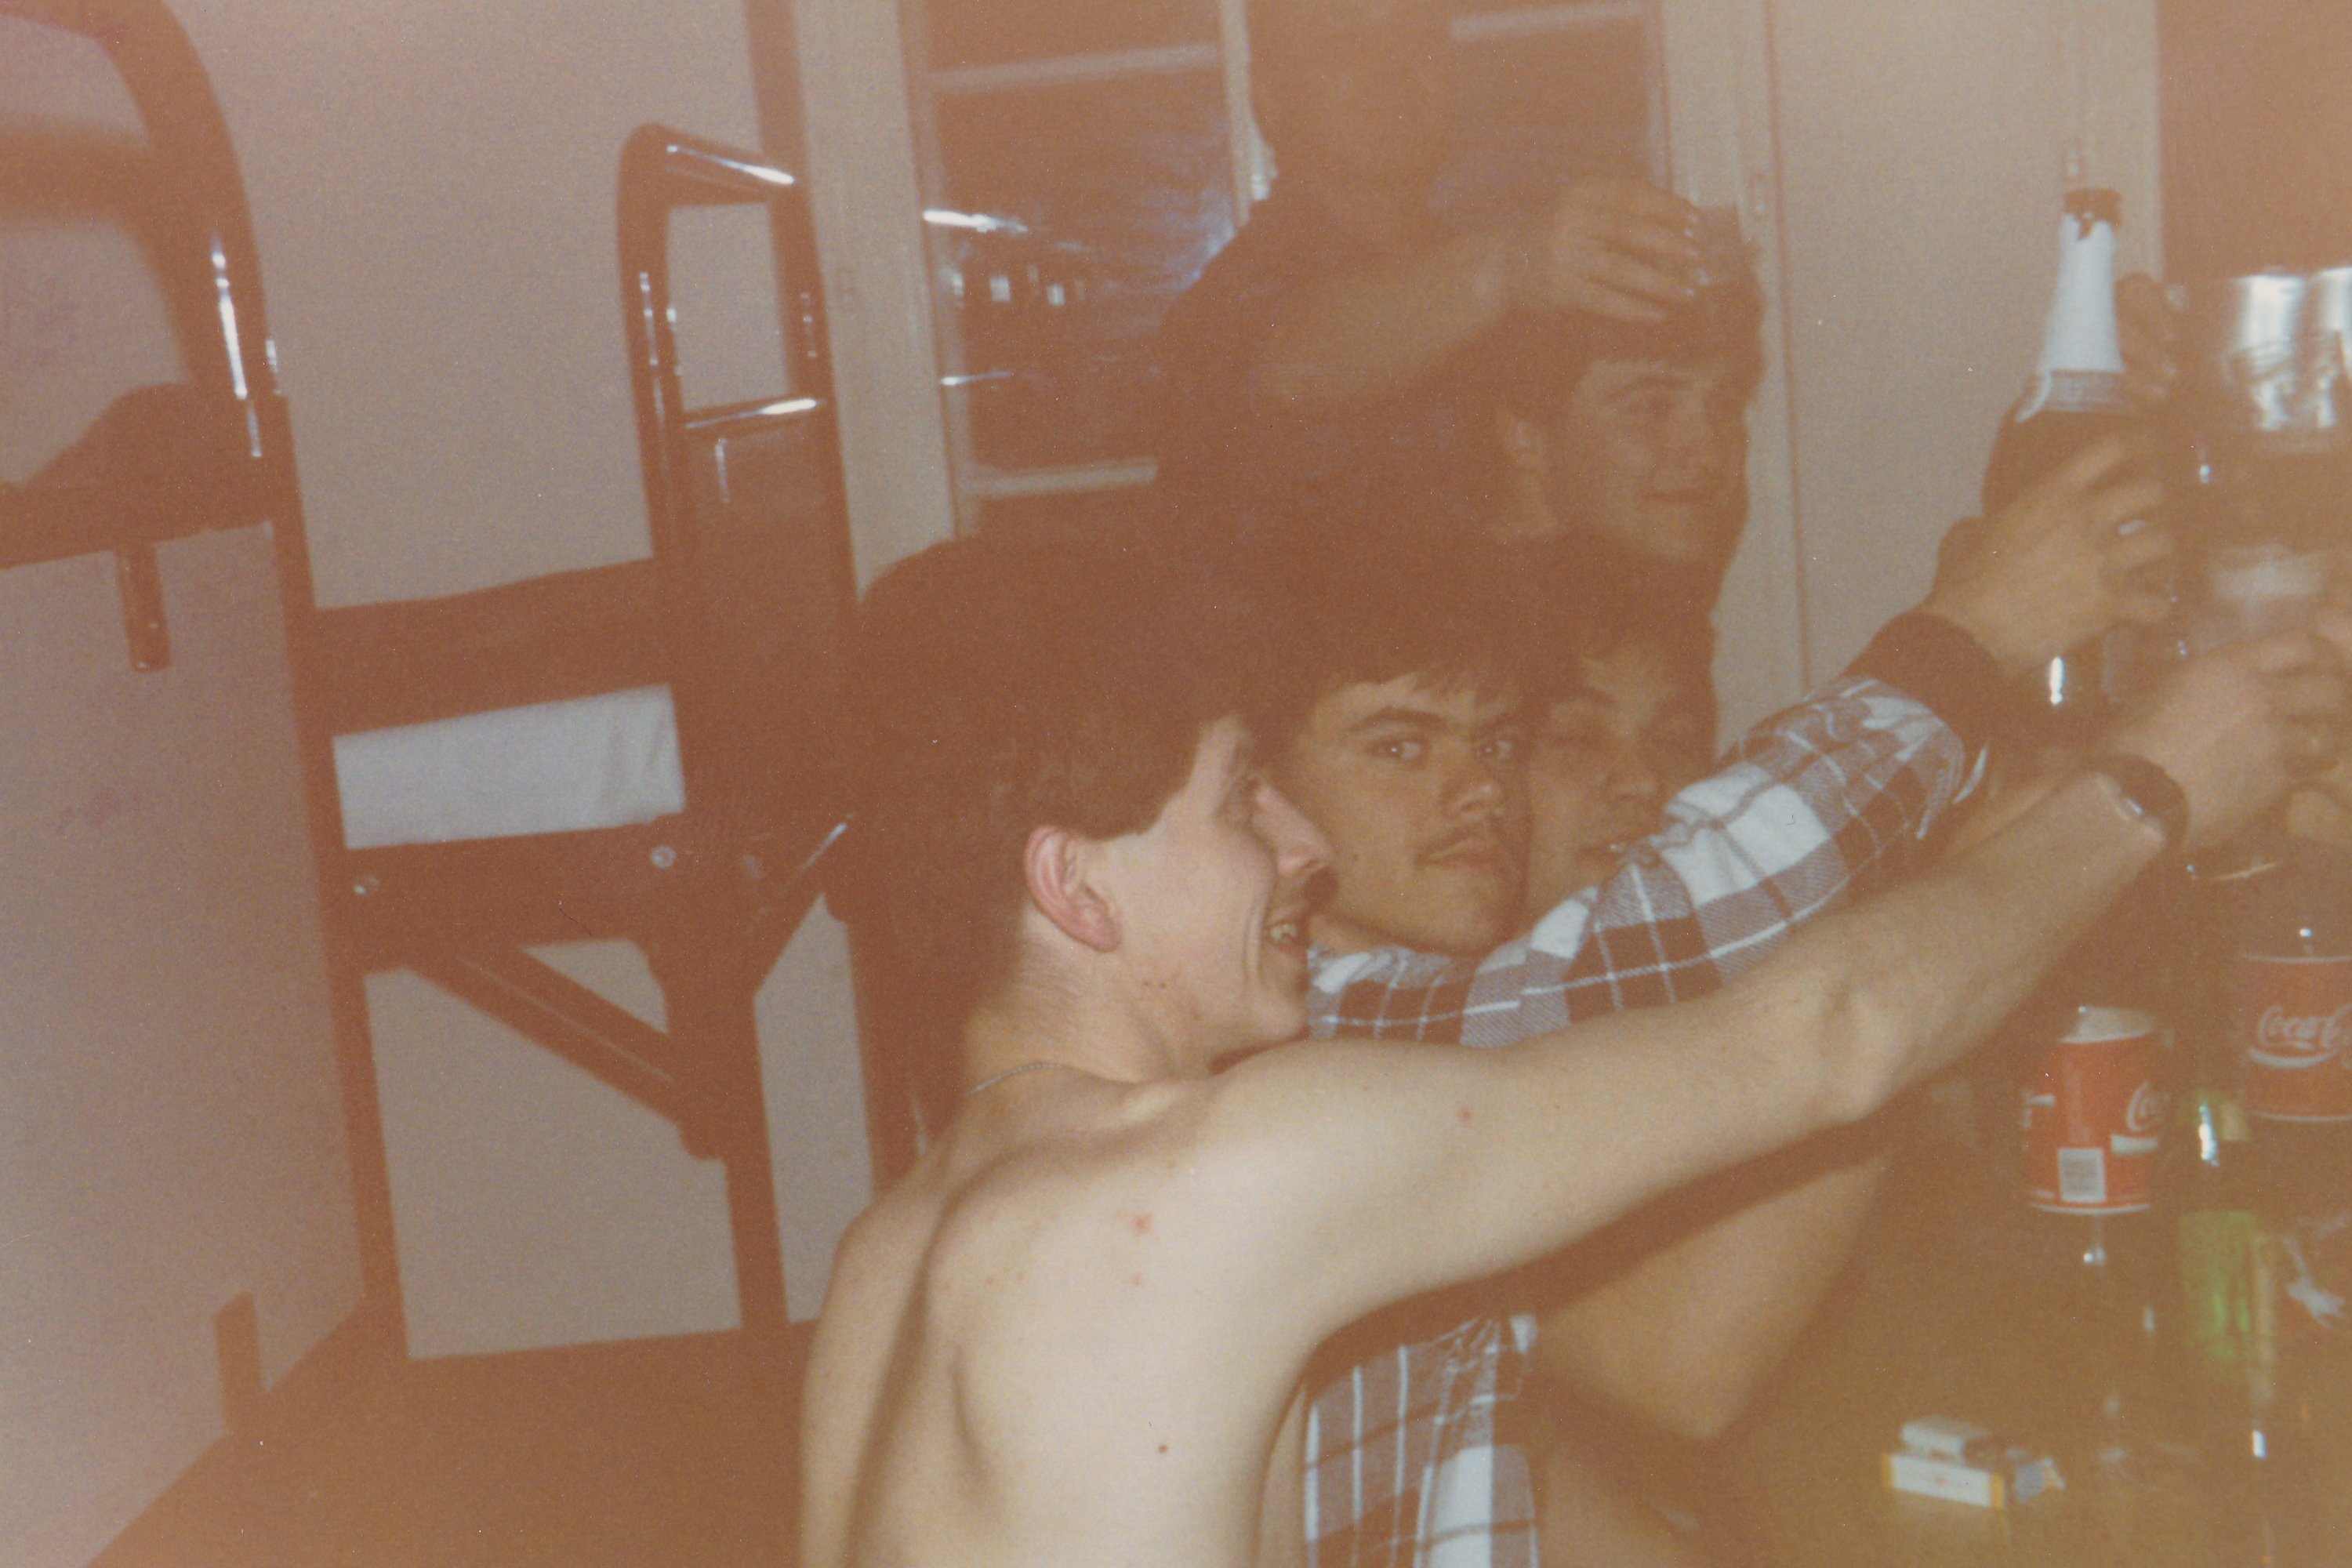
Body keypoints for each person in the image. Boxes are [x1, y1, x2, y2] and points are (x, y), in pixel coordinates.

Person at [797, 519, 2347, 1568]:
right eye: (1236, 804)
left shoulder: (887, 1254)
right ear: (1074, 885)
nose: (1302, 848)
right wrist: (2147, 793)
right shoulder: (1218, 1177)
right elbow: (1830, 1031)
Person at [1258, 434, 2181, 1567]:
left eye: (1497, 741)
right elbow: (1684, 1360)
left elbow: (1510, 1467)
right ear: (1262, 802)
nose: (1478, 788)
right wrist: (1981, 658)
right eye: (1401, 746)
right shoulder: (1325, 1047)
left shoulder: (1496, 1022)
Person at [1152, 0, 1704, 543]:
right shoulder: (1227, 305)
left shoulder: (1500, 279)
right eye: (1342, 43)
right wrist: (1509, 267)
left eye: (1415, 37)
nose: (1389, 65)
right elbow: (1288, 364)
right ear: (1268, 100)